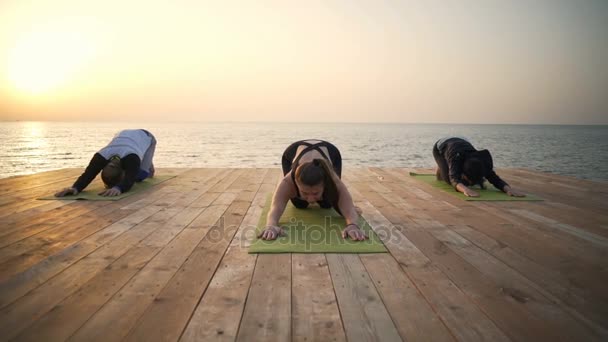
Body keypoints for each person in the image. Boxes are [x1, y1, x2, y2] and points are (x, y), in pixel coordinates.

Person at [259, 139, 367, 241]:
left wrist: (352, 225)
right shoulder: (288, 182)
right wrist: (271, 225)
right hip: (292, 151)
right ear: (296, 183)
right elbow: (276, 207)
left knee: (327, 205)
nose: (310, 200)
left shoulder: (332, 179)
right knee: (300, 205)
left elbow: (349, 209)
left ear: (325, 185)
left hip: (330, 150)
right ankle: (309, 193)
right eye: (305, 192)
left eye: (315, 193)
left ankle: (315, 193)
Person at [55, 129, 156, 197]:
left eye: (110, 166)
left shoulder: (104, 156)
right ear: (122, 170)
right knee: (140, 175)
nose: (112, 164)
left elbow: (89, 173)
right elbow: (88, 175)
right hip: (130, 139)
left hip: (148, 136)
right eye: (113, 167)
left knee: (141, 174)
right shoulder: (129, 158)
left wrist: (119, 188)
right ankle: (146, 161)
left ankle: (148, 162)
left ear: (104, 166)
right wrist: (75, 188)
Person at [433, 137, 525, 197]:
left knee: (466, 181)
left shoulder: (482, 163)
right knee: (448, 179)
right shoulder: (455, 158)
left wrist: (508, 189)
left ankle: (450, 167)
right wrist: (465, 189)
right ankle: (442, 167)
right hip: (441, 146)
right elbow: (454, 179)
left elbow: (495, 178)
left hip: (462, 142)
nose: (470, 183)